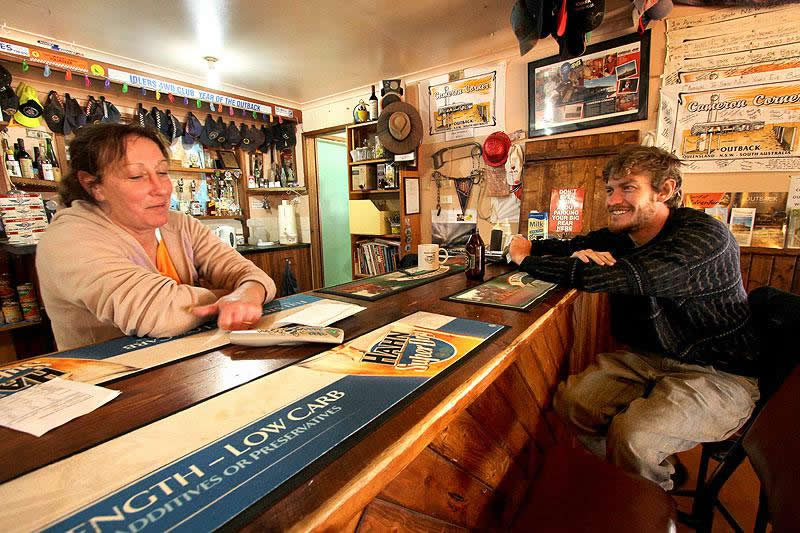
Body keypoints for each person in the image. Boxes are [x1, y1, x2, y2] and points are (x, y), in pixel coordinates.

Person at [508, 146, 759, 491]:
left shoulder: (703, 238)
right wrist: (532, 246)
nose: (613, 201)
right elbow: (570, 245)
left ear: (665, 190)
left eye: (628, 188)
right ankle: (638, 477)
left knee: (634, 436)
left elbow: (624, 276)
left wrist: (525, 260)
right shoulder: (624, 236)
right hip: (649, 358)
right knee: (573, 403)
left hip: (720, 372)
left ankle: (645, 498)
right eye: (610, 189)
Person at [37, 123, 276, 350]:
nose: (161, 188)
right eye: (136, 176)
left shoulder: (180, 224)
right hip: (113, 375)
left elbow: (253, 275)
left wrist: (246, 292)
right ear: (93, 185)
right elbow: (158, 314)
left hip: (188, 365)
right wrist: (232, 297)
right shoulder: (67, 239)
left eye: (162, 172)